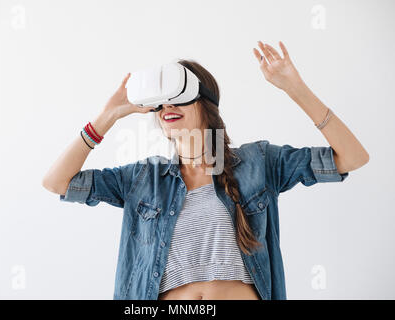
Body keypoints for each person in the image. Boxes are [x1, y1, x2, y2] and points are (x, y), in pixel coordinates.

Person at [42, 41, 369, 300]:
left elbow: (352, 157)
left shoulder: (258, 162)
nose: (168, 107)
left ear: (205, 104)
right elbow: (56, 182)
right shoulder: (143, 179)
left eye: (179, 98)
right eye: (161, 102)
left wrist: (295, 88)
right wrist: (107, 117)